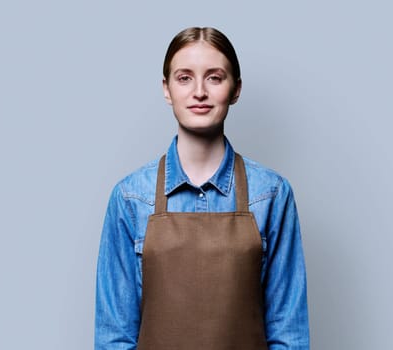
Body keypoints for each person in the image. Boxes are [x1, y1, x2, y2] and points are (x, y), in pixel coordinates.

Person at [95, 27, 309, 350]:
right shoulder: (129, 198)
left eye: (214, 77)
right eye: (184, 78)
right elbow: (114, 337)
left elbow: (289, 334)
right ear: (166, 89)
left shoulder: (272, 195)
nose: (199, 92)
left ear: (235, 89)